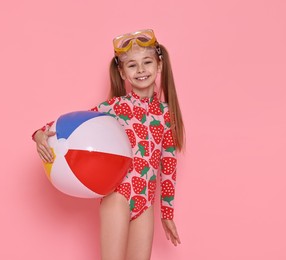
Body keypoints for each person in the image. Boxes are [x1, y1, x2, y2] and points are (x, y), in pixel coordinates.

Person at [32, 29, 185, 260]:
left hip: (146, 204)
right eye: (132, 65)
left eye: (147, 62)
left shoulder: (166, 115)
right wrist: (39, 135)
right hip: (118, 197)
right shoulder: (113, 108)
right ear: (122, 72)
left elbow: (168, 166)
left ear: (159, 66)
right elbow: (70, 124)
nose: (141, 70)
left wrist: (167, 213)